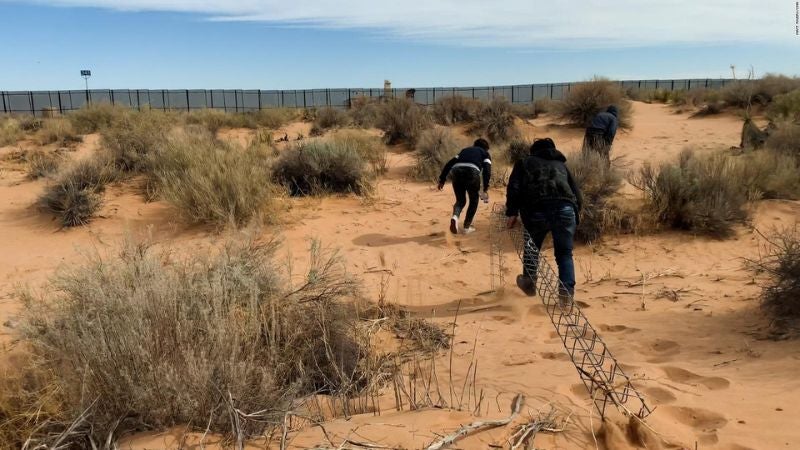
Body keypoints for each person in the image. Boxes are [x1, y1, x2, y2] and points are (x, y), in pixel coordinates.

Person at [505, 138, 583, 301]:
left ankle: (529, 283)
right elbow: (576, 192)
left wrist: (512, 212)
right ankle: (566, 293)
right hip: (566, 209)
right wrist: (577, 213)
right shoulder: (562, 166)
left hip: (536, 209)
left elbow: (514, 187)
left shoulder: (525, 162)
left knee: (532, 247)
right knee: (564, 254)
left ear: (534, 151)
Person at [438, 138, 492, 234]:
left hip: (456, 171)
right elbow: (487, 171)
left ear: (474, 145)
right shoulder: (485, 153)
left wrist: (442, 179)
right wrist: (485, 187)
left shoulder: (464, 151)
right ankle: (467, 227)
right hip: (472, 172)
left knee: (460, 200)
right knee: (474, 200)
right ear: (486, 148)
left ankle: (455, 217)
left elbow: (449, 163)